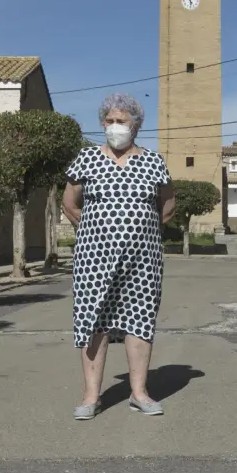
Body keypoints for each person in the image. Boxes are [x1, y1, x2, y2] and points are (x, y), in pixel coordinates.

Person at [63, 93, 175, 420]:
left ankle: (139, 393)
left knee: (139, 320)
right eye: (110, 121)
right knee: (93, 321)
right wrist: (96, 230)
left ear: (136, 125)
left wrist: (140, 231)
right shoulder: (87, 158)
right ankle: (91, 396)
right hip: (93, 258)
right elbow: (69, 204)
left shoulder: (154, 162)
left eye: (122, 121)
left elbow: (167, 206)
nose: (115, 126)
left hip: (143, 260)